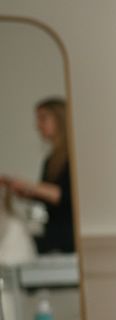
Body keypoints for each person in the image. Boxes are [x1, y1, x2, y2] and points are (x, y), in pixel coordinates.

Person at [0, 97, 74, 254]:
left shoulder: (72, 158)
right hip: (54, 232)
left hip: (68, 237)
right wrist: (25, 193)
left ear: (59, 119)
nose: (38, 126)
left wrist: (30, 186)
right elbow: (49, 198)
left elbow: (65, 195)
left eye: (43, 118)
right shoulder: (51, 160)